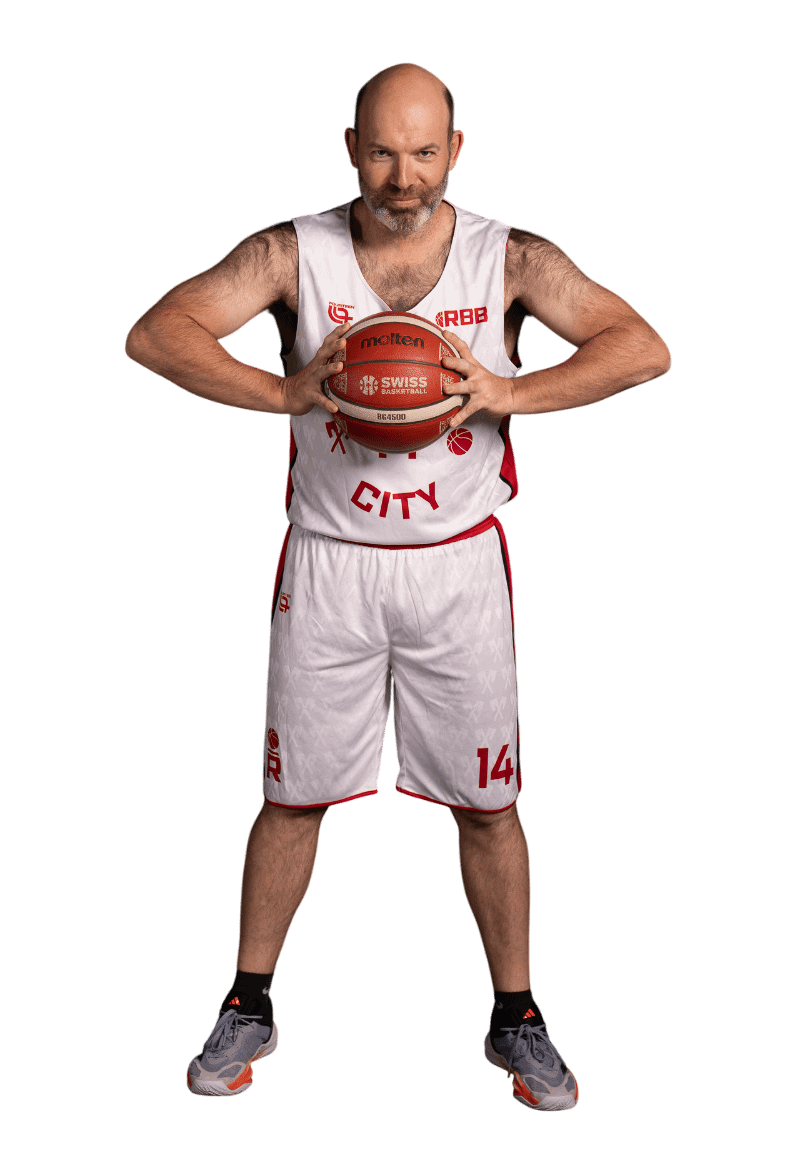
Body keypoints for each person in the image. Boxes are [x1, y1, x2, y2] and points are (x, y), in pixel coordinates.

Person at [125, 62, 670, 1108]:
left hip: (457, 564)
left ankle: (516, 1019)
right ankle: (249, 1003)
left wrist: (509, 390)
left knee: (489, 805)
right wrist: (280, 389)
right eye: (381, 151)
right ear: (349, 147)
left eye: (423, 152)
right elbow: (156, 332)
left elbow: (642, 348)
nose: (403, 176)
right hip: (328, 562)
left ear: (455, 151)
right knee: (289, 799)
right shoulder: (293, 251)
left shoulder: (508, 256)